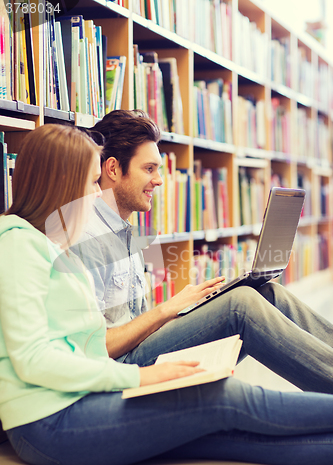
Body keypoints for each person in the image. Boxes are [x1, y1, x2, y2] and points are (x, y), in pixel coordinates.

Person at [3, 123, 333, 465]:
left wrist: (175, 318)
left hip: (80, 396)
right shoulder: (20, 244)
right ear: (62, 186)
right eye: (90, 183)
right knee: (221, 398)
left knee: (227, 434)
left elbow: (82, 343)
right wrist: (141, 376)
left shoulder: (55, 244)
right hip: (51, 419)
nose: (97, 192)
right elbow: (36, 358)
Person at [71, 110, 333, 395]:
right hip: (126, 369)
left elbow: (136, 322)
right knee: (241, 304)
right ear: (112, 169)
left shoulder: (125, 230)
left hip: (142, 348)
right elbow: (96, 347)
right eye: (149, 169)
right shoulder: (86, 238)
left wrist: (188, 312)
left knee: (267, 293)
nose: (159, 180)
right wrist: (166, 310)